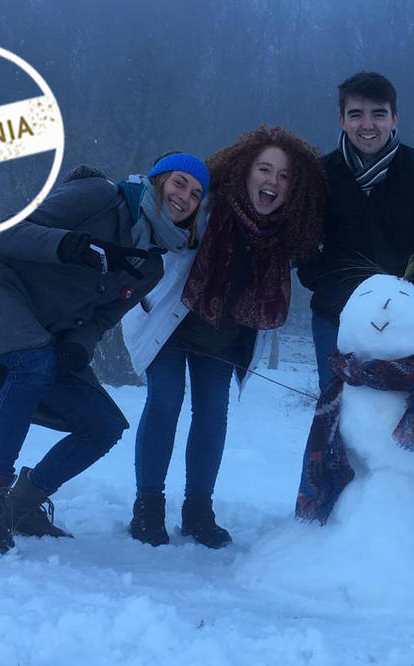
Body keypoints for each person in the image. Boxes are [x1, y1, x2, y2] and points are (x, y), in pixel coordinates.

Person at [0, 154, 211, 555]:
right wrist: (72, 246)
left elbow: (101, 320)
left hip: (43, 330)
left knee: (102, 425)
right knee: (32, 364)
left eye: (195, 193)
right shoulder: (101, 195)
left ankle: (20, 506)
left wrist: (76, 346)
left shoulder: (151, 264)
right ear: (157, 181)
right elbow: (6, 233)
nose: (184, 196)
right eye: (179, 182)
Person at [123, 127, 325, 549]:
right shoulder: (208, 204)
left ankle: (199, 511)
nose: (272, 181)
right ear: (244, 169)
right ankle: (148, 507)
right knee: (166, 402)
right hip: (170, 322)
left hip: (224, 337)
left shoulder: (287, 235)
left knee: (213, 416)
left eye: (284, 176)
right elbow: (155, 204)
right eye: (264, 169)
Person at [296, 71, 414, 532]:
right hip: (336, 316)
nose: (367, 124)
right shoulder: (322, 173)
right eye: (356, 115)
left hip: (403, 322)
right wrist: (328, 285)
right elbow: (303, 244)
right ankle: (328, 531)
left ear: (395, 118)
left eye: (377, 114)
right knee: (339, 423)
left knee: (411, 424)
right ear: (342, 119)